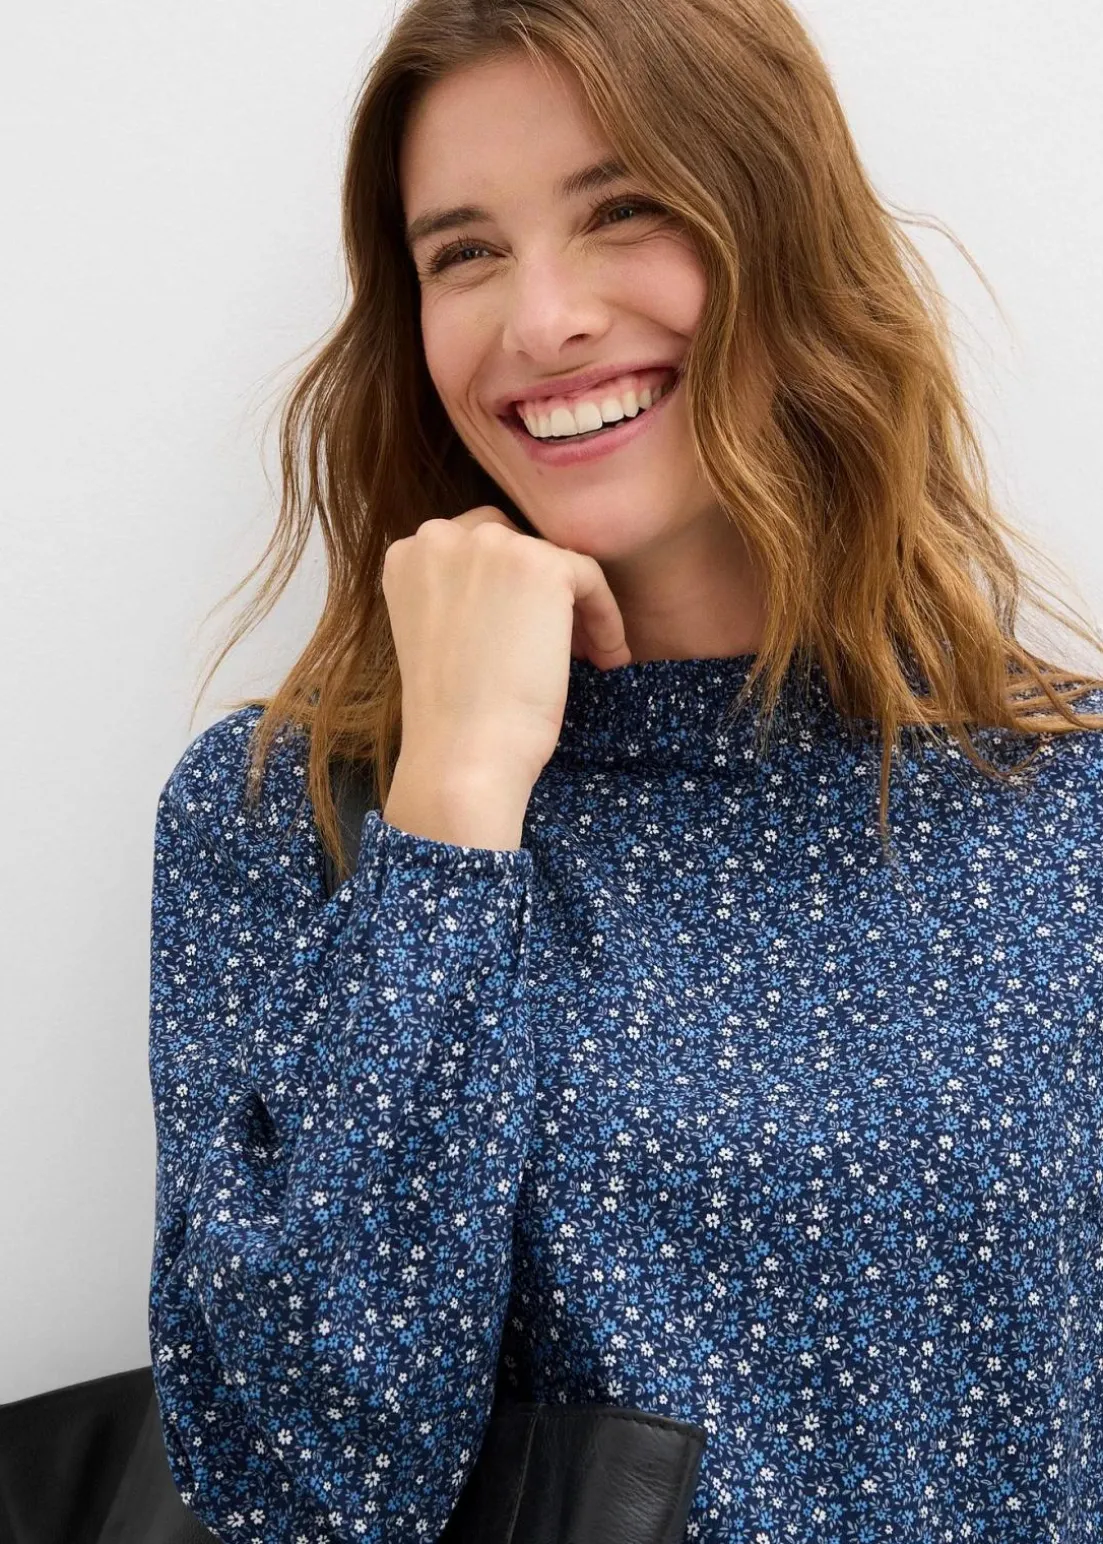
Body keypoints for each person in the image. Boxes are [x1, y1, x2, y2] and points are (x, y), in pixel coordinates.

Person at [146, 0, 1103, 1540]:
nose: (542, 323)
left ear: (781, 230)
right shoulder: (285, 815)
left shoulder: (1060, 803)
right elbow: (302, 1488)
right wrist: (455, 799)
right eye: (463, 251)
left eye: (622, 210)